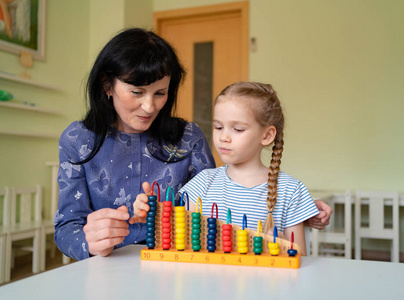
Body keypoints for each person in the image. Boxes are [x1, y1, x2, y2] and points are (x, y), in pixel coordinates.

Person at [54, 28, 216, 260]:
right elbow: (66, 226)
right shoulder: (78, 140)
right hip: (107, 274)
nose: (150, 107)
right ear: (107, 85)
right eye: (137, 92)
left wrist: (168, 215)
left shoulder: (189, 138)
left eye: (160, 93)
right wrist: (89, 242)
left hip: (177, 266)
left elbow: (215, 213)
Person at [132, 82, 327, 255]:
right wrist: (153, 213)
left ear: (267, 136)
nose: (224, 137)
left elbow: (301, 261)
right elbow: (177, 239)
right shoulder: (201, 184)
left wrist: (283, 247)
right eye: (218, 127)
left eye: (237, 129)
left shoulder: (291, 191)